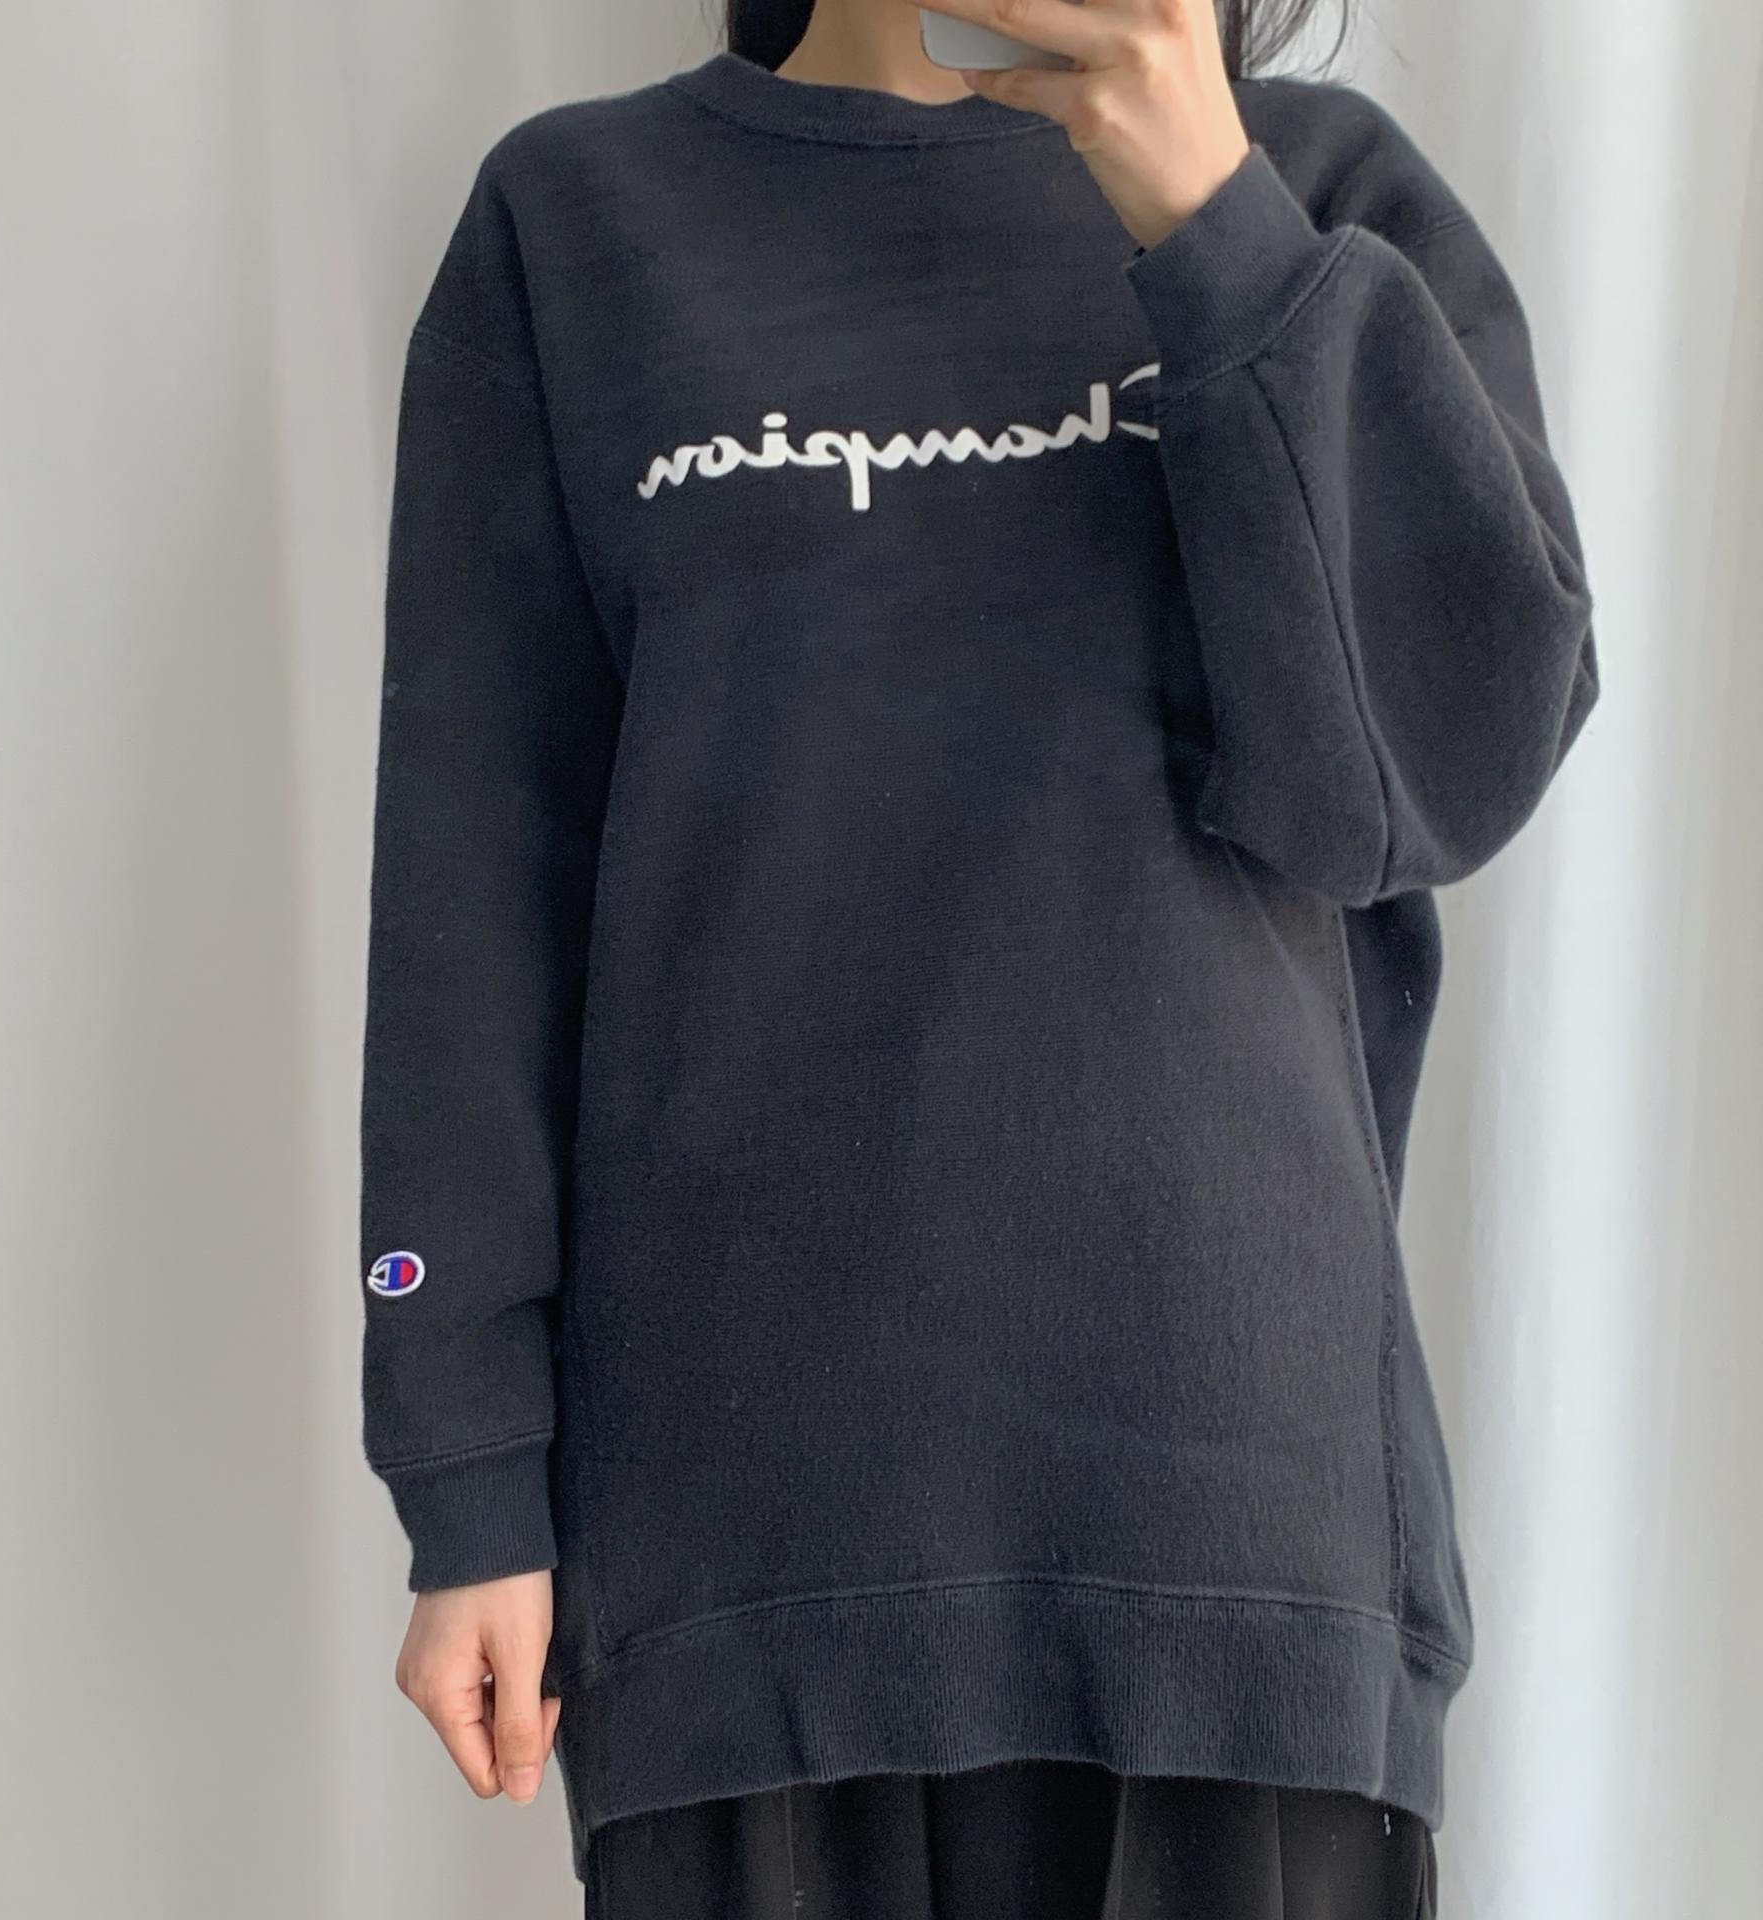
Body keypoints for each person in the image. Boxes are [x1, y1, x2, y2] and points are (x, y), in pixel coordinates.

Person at [356, 0, 1600, 1912]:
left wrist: (1213, 221)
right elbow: (471, 897)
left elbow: (1438, 771)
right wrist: (465, 1473)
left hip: (1238, 1552)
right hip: (746, 1565)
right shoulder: (579, 224)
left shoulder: (1324, 199)